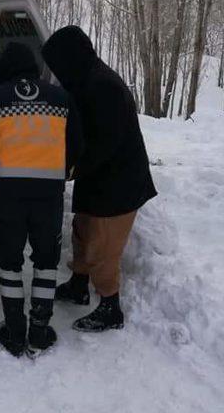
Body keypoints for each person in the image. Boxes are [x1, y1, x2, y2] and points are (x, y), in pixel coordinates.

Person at [0, 42, 83, 356]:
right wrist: (63, 169)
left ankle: (15, 330)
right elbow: (77, 142)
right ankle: (40, 330)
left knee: (9, 260)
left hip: (10, 193)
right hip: (49, 193)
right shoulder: (62, 98)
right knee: (46, 260)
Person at [41, 26, 157, 332]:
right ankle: (78, 285)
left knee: (102, 248)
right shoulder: (87, 80)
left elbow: (104, 142)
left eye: (58, 65)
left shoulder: (103, 86)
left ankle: (110, 307)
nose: (57, 73)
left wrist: (69, 169)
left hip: (119, 183)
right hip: (98, 179)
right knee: (82, 232)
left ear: (71, 58)